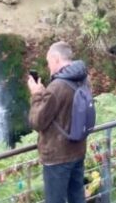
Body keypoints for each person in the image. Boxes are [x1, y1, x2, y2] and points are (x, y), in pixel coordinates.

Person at [28, 41, 90, 203]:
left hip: (57, 156)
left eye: (48, 62)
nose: (48, 67)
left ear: (56, 59)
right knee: (77, 197)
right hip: (77, 150)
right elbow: (64, 108)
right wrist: (44, 93)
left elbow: (38, 121)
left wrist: (36, 94)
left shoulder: (57, 87)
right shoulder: (83, 79)